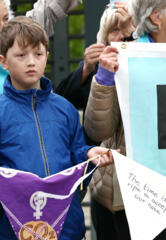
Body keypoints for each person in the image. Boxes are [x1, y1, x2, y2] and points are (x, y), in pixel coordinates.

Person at [0, 16, 113, 240]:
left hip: (63, 233)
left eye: (38, 54)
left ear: (47, 56)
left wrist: (90, 153)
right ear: (3, 61)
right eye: (21, 55)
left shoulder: (66, 110)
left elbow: (76, 156)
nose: (31, 61)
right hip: (14, 236)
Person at [84, 0, 166, 240]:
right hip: (136, 200)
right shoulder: (126, 60)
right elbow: (98, 130)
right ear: (157, 17)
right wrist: (105, 78)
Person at [55, 1, 135, 145]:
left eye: (127, 28)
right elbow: (61, 100)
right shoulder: (97, 67)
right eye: (115, 30)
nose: (122, 36)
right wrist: (86, 69)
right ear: (105, 38)